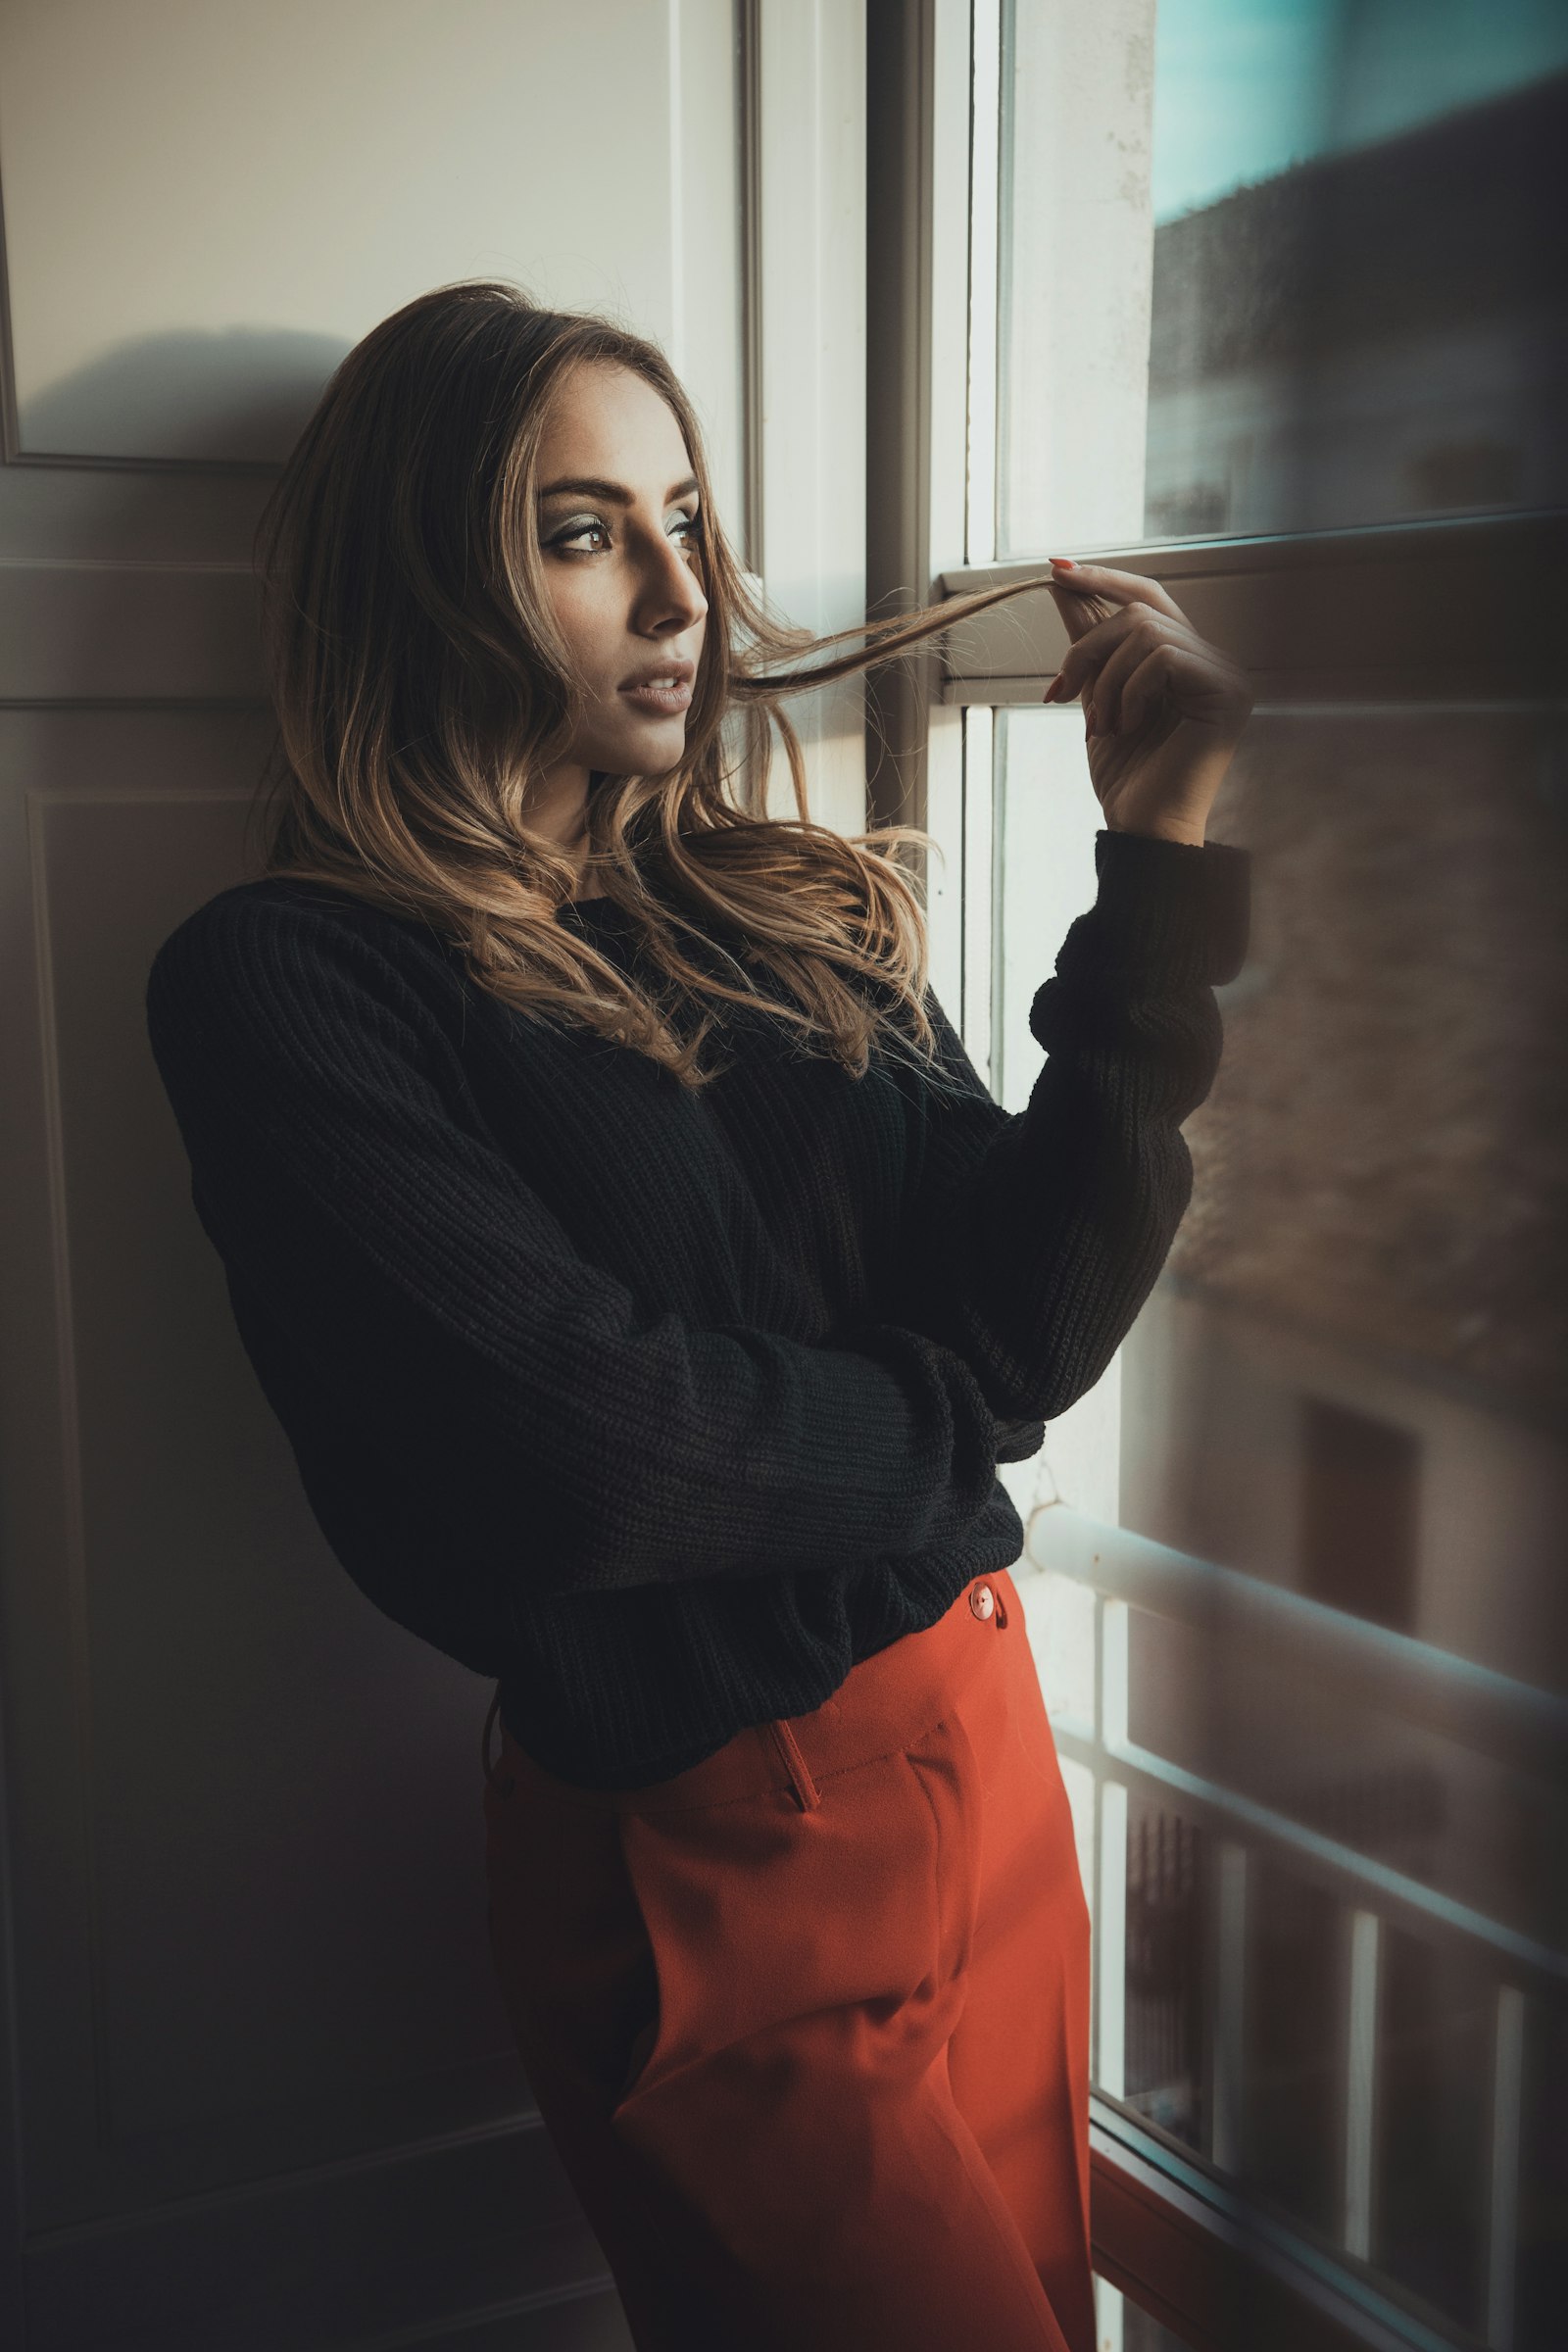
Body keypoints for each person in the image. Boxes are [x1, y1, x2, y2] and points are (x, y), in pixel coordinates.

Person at [145, 280, 1251, 2352]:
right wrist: (945, 1434)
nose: (678, 593)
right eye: (582, 532)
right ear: (418, 577)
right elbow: (586, 1456)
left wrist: (1157, 851)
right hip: (697, 1845)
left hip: (977, 1737)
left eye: (682, 520)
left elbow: (1038, 1303)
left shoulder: (787, 902)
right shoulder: (287, 980)